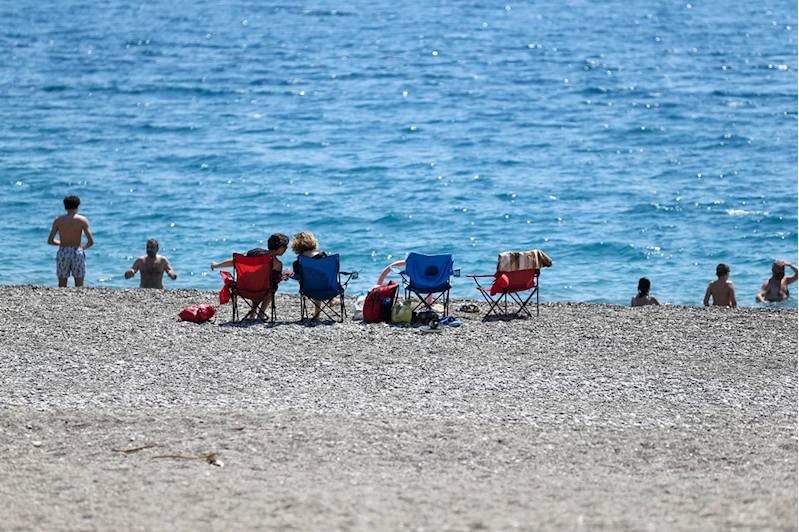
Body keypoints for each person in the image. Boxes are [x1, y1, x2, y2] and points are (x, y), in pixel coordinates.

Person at [210, 233, 289, 320]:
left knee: (255, 282)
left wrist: (217, 265)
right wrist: (284, 277)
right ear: (279, 246)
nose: (286, 249)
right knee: (272, 287)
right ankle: (261, 313)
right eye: (285, 246)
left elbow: (235, 261)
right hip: (262, 291)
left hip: (243, 289)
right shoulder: (277, 264)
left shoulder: (255, 252)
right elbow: (276, 280)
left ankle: (253, 313)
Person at [47, 195, 94, 287]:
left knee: (62, 285)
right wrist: (82, 248)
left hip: (63, 251)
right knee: (79, 285)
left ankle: (61, 300)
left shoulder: (58, 220)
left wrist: (63, 243)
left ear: (65, 207)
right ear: (77, 206)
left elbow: (50, 240)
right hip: (77, 251)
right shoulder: (82, 220)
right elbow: (90, 241)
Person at [290, 232, 329, 319]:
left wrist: (289, 275)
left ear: (296, 247)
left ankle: (317, 313)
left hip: (308, 289)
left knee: (313, 282)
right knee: (321, 279)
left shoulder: (297, 263)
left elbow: (297, 277)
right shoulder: (323, 256)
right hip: (327, 287)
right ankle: (331, 300)